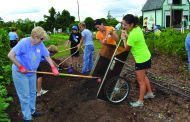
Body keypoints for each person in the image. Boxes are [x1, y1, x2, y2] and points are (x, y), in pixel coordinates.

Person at [7, 26, 59, 122]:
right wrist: (20, 66)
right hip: (21, 73)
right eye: (41, 38)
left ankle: (32, 111)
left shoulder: (40, 44)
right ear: (35, 37)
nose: (42, 40)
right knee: (25, 95)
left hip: (32, 72)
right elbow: (10, 55)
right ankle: (27, 117)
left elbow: (47, 56)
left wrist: (53, 67)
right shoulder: (23, 43)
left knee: (32, 93)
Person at [121, 14, 155, 107]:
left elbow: (127, 48)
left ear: (131, 24)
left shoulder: (132, 35)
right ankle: (150, 93)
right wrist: (126, 35)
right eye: (123, 24)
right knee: (143, 76)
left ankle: (140, 101)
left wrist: (124, 38)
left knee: (141, 81)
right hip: (146, 56)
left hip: (141, 59)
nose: (124, 26)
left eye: (125, 25)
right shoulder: (137, 29)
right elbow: (132, 37)